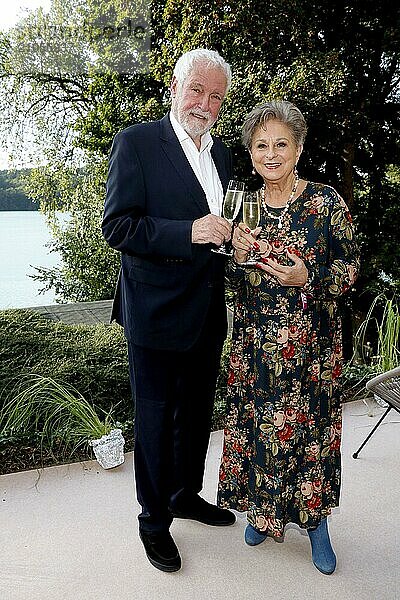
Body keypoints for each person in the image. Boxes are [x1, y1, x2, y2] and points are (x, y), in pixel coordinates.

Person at [102, 48, 236, 573]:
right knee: (156, 420)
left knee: (197, 414)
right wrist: (188, 232)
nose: (205, 102)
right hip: (154, 312)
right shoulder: (136, 144)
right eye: (197, 90)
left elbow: (219, 228)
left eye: (217, 95)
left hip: (206, 311)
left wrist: (233, 241)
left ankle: (185, 494)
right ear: (175, 88)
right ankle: (153, 520)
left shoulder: (220, 155)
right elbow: (118, 226)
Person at [217, 101, 360, 575]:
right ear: (250, 153)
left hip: (312, 351)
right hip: (255, 347)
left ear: (298, 148)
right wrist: (235, 261)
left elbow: (352, 269)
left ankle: (316, 525)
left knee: (310, 437)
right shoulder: (243, 209)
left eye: (281, 144)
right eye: (261, 145)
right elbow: (230, 284)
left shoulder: (326, 202)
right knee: (261, 432)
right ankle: (265, 513)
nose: (271, 153)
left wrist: (310, 278)